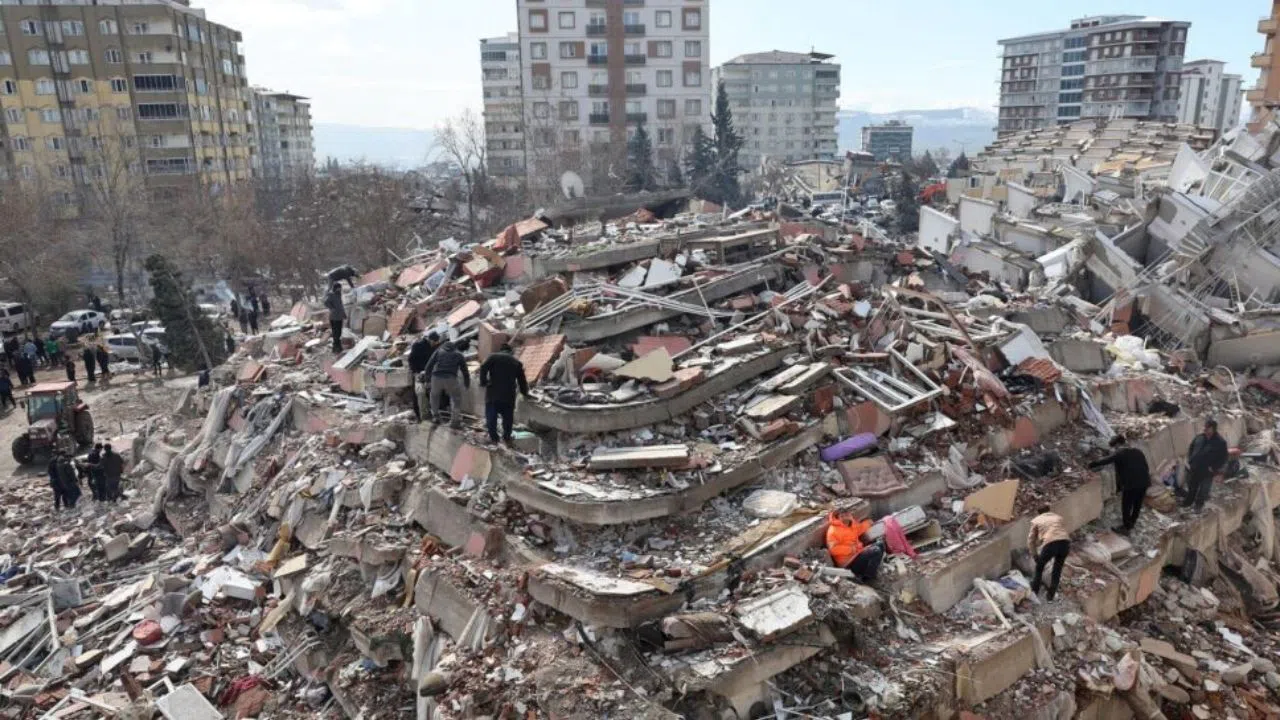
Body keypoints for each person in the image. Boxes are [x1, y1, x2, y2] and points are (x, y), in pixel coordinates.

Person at [1088, 435, 1151, 535]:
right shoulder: (1138, 451)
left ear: (1117, 444)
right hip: (1144, 482)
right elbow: (1146, 467)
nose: (1114, 449)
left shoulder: (1120, 453)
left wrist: (1090, 464)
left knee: (1126, 505)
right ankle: (1131, 524)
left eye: (1114, 447)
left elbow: (1105, 460)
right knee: (1137, 505)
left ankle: (1126, 528)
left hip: (1131, 484)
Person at [478, 343, 530, 445]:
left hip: (493, 393)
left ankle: (494, 438)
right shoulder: (517, 362)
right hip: (508, 395)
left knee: (491, 417)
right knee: (507, 418)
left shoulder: (493, 357)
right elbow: (522, 381)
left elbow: (483, 367)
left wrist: (484, 382)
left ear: (500, 350)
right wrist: (525, 392)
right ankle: (506, 437)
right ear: (511, 352)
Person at [1183, 418, 1228, 512]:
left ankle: (1198, 505)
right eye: (1205, 427)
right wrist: (1190, 459)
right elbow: (1191, 447)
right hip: (1195, 467)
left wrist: (1213, 468)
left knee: (1204, 489)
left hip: (1207, 470)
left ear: (1213, 429)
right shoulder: (1200, 437)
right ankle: (1188, 502)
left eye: (1208, 427)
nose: (1205, 429)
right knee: (1192, 486)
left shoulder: (1220, 442)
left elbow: (1223, 458)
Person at [825, 510, 882, 582]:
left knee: (880, 544)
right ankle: (867, 579)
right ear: (837, 518)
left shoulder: (851, 524)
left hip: (857, 554)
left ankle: (869, 572)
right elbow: (833, 550)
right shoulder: (833, 531)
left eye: (846, 514)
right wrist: (851, 549)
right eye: (842, 516)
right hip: (848, 563)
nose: (845, 517)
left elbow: (859, 529)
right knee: (876, 551)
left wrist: (868, 523)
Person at [424, 340, 470, 428]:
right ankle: (454, 421)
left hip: (436, 377)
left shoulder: (438, 351)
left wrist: (427, 380)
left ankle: (435, 417)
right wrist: (467, 383)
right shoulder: (459, 354)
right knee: (455, 399)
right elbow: (465, 370)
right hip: (450, 378)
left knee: (434, 397)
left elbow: (428, 366)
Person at [1029, 505, 1071, 601]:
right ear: (1049, 510)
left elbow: (1031, 540)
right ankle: (1050, 596)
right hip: (1065, 543)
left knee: (1039, 567)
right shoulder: (1057, 517)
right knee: (1057, 570)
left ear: (1038, 513)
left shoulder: (1036, 520)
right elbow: (1061, 531)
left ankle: (1035, 590)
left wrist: (1035, 555)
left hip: (1050, 544)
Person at [408, 332, 439, 422]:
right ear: (431, 340)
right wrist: (415, 371)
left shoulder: (432, 347)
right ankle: (420, 416)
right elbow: (411, 359)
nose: (435, 344)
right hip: (419, 373)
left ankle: (427, 415)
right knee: (419, 394)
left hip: (429, 374)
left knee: (428, 394)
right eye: (434, 342)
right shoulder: (418, 345)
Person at [324, 282, 346, 354]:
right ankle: (336, 348)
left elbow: (341, 306)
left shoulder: (339, 295)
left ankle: (338, 347)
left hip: (339, 317)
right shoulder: (331, 295)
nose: (340, 289)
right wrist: (332, 308)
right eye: (339, 288)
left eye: (340, 288)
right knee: (336, 333)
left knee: (339, 333)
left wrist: (344, 314)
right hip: (334, 317)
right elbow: (326, 302)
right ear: (335, 288)